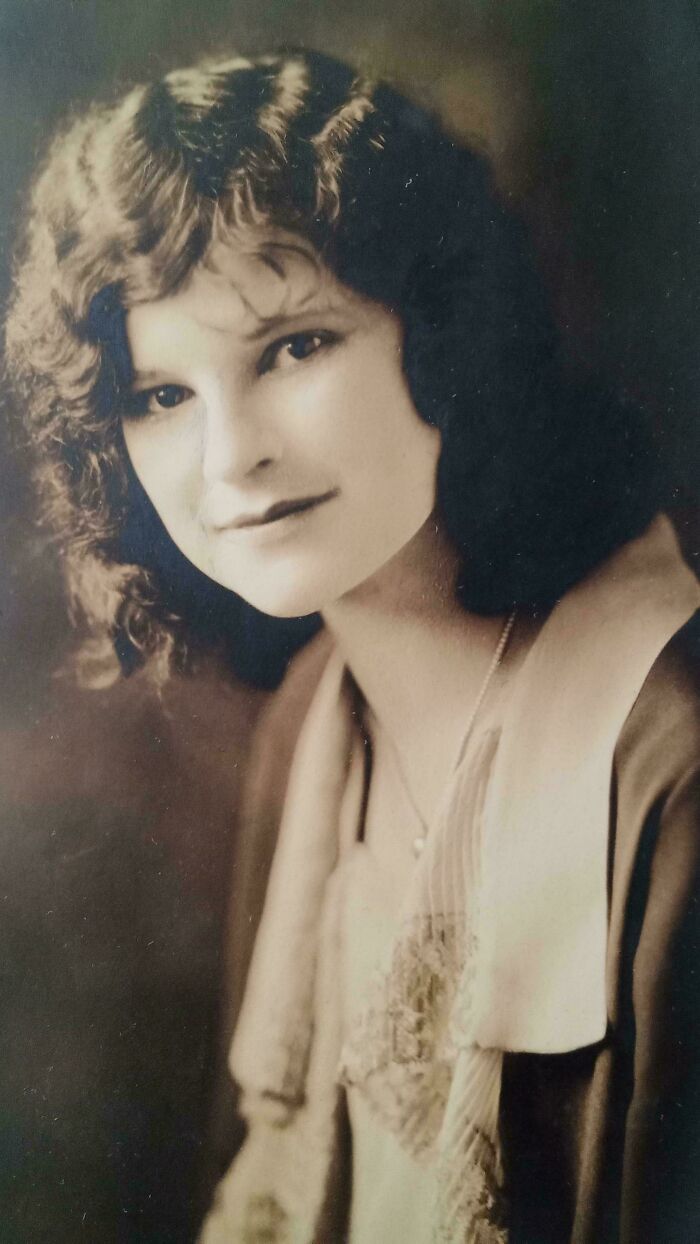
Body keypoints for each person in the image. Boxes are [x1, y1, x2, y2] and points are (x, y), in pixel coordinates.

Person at [5, 47, 700, 1244]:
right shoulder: (316, 718)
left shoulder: (667, 780)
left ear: (441, 330)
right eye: (162, 393)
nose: (230, 459)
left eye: (293, 346)